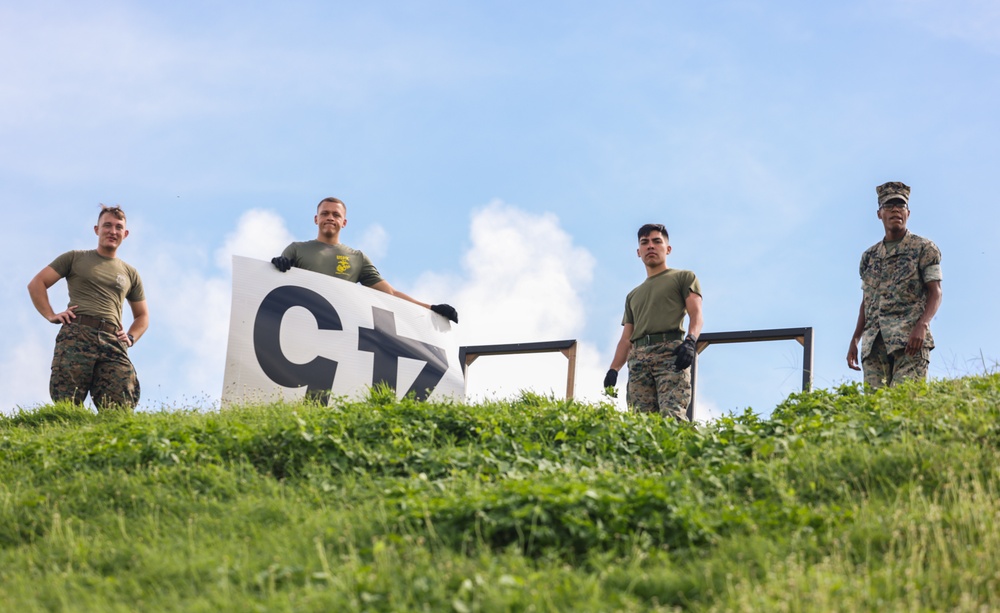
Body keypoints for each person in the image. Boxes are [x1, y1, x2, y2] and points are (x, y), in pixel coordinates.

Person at [27, 205, 149, 411]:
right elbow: (37, 283)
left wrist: (130, 338)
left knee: (119, 405)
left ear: (125, 234)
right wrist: (50, 315)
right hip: (77, 334)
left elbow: (142, 315)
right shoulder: (75, 258)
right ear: (96, 229)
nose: (112, 231)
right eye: (107, 225)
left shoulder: (130, 273)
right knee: (67, 402)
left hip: (113, 341)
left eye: (118, 227)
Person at [271, 197, 458, 322]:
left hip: (337, 324)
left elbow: (390, 294)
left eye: (336, 215)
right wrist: (275, 268)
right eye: (325, 213)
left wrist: (432, 308)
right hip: (300, 319)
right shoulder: (296, 249)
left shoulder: (357, 258)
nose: (330, 218)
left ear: (344, 222)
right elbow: (273, 286)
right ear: (316, 219)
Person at [847, 181, 942, 388]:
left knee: (904, 404)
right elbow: (867, 301)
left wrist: (922, 325)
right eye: (889, 206)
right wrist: (856, 339)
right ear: (879, 213)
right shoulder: (869, 257)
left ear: (908, 212)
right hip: (874, 346)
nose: (895, 210)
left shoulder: (923, 248)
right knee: (875, 411)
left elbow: (936, 292)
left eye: (900, 205)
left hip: (910, 341)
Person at [604, 223, 703, 420]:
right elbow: (626, 339)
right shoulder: (633, 295)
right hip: (639, 361)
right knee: (640, 423)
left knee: (672, 417)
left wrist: (691, 341)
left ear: (668, 249)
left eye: (657, 241)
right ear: (638, 252)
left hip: (670, 355)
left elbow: (696, 313)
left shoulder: (683, 277)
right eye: (645, 242)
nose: (650, 246)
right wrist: (613, 370)